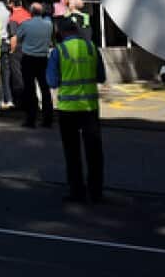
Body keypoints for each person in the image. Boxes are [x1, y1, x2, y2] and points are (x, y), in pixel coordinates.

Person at [47, 16, 106, 203]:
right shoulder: (91, 48)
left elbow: (52, 81)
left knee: (72, 153)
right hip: (90, 107)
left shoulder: (59, 51)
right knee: (94, 152)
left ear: (61, 32)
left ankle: (77, 191)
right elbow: (101, 77)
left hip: (68, 109)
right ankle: (96, 192)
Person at [18, 3, 55, 129]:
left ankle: (31, 118)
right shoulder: (49, 24)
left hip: (28, 57)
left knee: (30, 89)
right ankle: (48, 118)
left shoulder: (26, 24)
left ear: (31, 12)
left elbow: (18, 38)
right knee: (45, 88)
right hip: (43, 58)